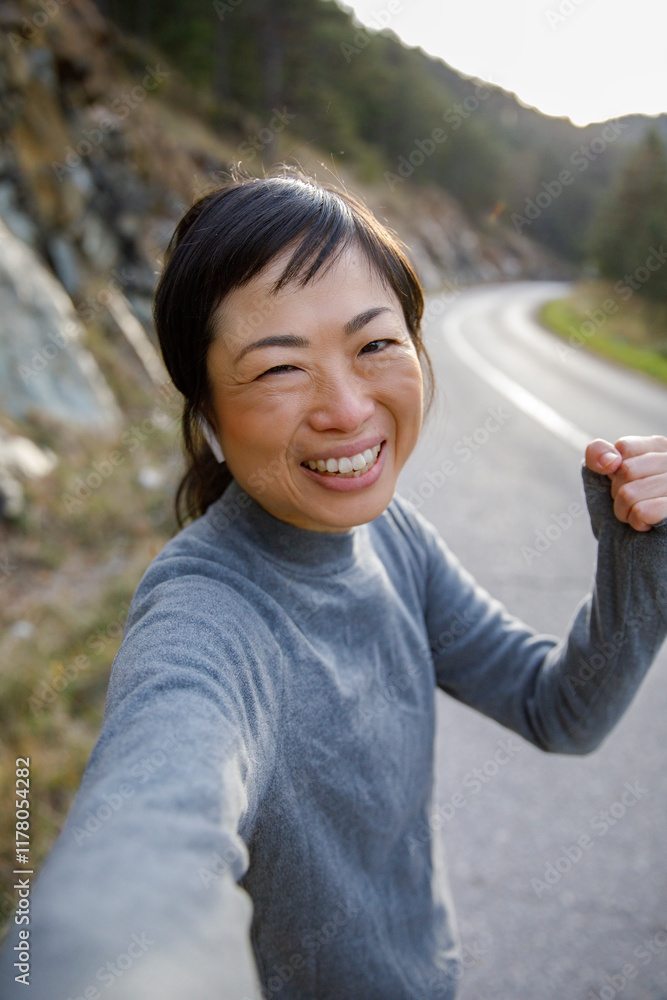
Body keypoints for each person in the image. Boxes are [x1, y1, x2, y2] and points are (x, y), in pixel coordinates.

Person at [1, 167, 666, 1000]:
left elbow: (558, 708)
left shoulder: (392, 538)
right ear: (205, 410)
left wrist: (642, 555)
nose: (347, 409)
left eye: (375, 345)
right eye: (281, 369)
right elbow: (148, 826)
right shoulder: (205, 618)